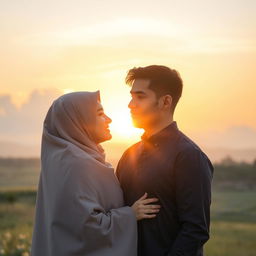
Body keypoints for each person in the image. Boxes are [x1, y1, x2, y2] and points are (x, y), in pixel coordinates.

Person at [31, 91, 160, 256]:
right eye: (100, 113)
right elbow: (85, 227)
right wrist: (130, 215)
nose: (108, 119)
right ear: (79, 122)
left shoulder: (69, 160)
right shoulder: (76, 164)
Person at [116, 65, 214, 256]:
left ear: (165, 101)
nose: (130, 104)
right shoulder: (129, 155)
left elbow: (195, 231)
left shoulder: (189, 156)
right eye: (131, 96)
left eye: (140, 96)